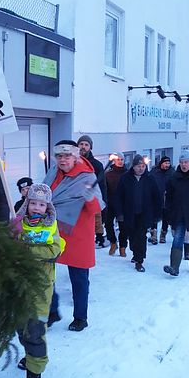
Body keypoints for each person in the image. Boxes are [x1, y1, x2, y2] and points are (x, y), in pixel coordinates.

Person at [44, 140, 104, 332]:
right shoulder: (53, 171)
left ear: (75, 156)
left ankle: (80, 317)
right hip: (53, 229)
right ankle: (52, 311)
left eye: (67, 155)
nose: (63, 160)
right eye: (59, 156)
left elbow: (97, 208)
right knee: (45, 273)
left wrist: (90, 198)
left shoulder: (87, 176)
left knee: (78, 277)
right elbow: (45, 195)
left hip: (77, 233)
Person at [11, 184, 64, 378]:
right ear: (27, 203)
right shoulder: (18, 223)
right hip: (19, 282)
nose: (36, 208)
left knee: (35, 329)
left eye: (41, 204)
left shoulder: (51, 225)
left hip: (41, 285)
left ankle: (35, 373)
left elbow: (55, 249)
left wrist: (28, 250)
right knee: (21, 326)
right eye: (33, 203)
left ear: (47, 206)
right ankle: (29, 355)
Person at [116, 155, 161, 272]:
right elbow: (119, 197)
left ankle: (139, 260)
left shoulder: (150, 178)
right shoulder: (125, 178)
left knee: (141, 236)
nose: (141, 169)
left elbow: (157, 197)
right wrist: (119, 213)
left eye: (143, 166)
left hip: (144, 213)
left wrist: (157, 214)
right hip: (129, 213)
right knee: (132, 236)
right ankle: (135, 252)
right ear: (133, 167)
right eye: (138, 166)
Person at [77, 135, 108, 248]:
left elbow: (102, 185)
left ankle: (96, 239)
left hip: (92, 200)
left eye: (86, 145)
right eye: (81, 144)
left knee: (94, 221)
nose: (83, 147)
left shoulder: (97, 165)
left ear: (90, 147)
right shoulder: (72, 162)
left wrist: (103, 202)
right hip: (76, 200)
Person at [104, 152, 128, 256]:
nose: (120, 161)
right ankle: (113, 243)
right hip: (110, 203)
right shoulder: (108, 173)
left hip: (123, 204)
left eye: (122, 159)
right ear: (114, 160)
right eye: (118, 159)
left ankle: (123, 246)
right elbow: (105, 188)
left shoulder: (127, 173)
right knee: (108, 224)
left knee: (123, 226)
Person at [149, 156, 174, 244]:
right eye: (165, 163)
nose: (167, 165)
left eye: (168, 163)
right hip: (156, 198)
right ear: (161, 163)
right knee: (154, 217)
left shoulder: (172, 173)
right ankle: (153, 235)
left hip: (167, 198)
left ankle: (163, 234)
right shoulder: (154, 172)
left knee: (165, 218)